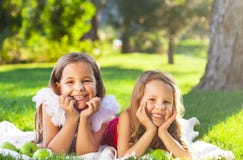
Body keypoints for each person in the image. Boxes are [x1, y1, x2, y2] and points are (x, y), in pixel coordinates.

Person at [32, 52, 120, 155]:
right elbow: (53, 152)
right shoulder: (51, 104)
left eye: (86, 81)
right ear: (58, 88)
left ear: (96, 84)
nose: (79, 88)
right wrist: (72, 118)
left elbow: (86, 153)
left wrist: (85, 118)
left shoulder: (102, 109)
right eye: (70, 82)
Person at [116, 70, 192, 159]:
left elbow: (187, 157)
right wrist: (150, 130)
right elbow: (124, 157)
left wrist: (163, 132)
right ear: (138, 100)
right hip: (114, 127)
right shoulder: (127, 117)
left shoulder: (171, 124)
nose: (160, 107)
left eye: (166, 102)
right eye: (152, 99)